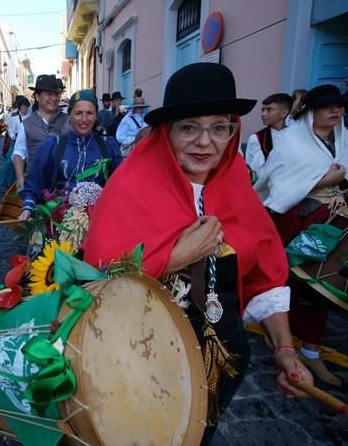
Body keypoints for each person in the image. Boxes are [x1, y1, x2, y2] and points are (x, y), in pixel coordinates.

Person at [83, 63, 313, 444]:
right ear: (166, 132)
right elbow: (95, 285)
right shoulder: (130, 187)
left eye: (219, 127)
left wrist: (285, 349)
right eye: (189, 127)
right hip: (143, 368)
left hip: (221, 365)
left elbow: (265, 277)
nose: (205, 142)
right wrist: (174, 258)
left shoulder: (236, 181)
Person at [254, 84, 348, 386]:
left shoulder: (343, 140)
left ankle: (310, 349)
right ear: (311, 112)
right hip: (298, 223)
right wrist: (326, 179)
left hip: (333, 226)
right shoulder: (292, 143)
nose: (334, 111)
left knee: (321, 293)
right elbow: (281, 186)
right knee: (297, 286)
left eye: (338, 106)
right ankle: (288, 344)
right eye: (326, 107)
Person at [19, 90, 121, 220]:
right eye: (78, 113)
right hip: (60, 224)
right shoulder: (54, 145)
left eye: (89, 113)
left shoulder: (108, 146)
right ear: (70, 116)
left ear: (96, 116)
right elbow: (35, 181)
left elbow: (124, 183)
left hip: (100, 223)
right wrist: (28, 207)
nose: (84, 119)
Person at [13, 75, 70, 189]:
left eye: (56, 94)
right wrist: (20, 178)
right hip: (35, 185)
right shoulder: (26, 124)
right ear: (37, 97)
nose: (53, 98)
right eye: (48, 94)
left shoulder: (68, 120)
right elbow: (19, 153)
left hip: (64, 186)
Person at [245, 93, 293, 178]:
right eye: (262, 110)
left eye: (269, 110)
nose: (263, 114)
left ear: (284, 113)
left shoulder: (295, 135)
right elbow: (255, 170)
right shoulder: (257, 138)